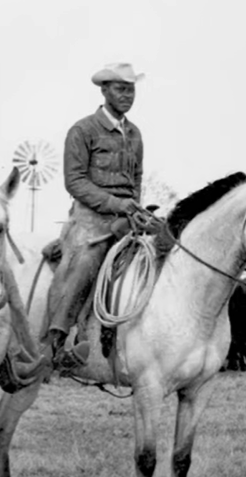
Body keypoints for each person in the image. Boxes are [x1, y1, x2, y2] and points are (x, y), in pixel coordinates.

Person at [43, 62, 145, 366]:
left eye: (131, 90)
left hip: (127, 216)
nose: (127, 96)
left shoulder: (135, 134)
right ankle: (57, 339)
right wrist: (116, 204)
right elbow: (74, 182)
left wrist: (134, 208)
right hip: (90, 215)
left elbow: (136, 179)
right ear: (104, 91)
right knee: (87, 260)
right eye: (120, 89)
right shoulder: (83, 130)